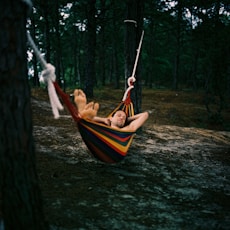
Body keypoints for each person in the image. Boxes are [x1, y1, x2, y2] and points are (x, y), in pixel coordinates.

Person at [74, 89, 149, 132]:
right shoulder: (102, 126)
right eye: (119, 115)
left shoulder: (126, 130)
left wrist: (127, 119)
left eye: (123, 117)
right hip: (103, 136)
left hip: (115, 140)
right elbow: (83, 119)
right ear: (111, 118)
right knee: (82, 115)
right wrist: (103, 120)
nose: (122, 117)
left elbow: (145, 114)